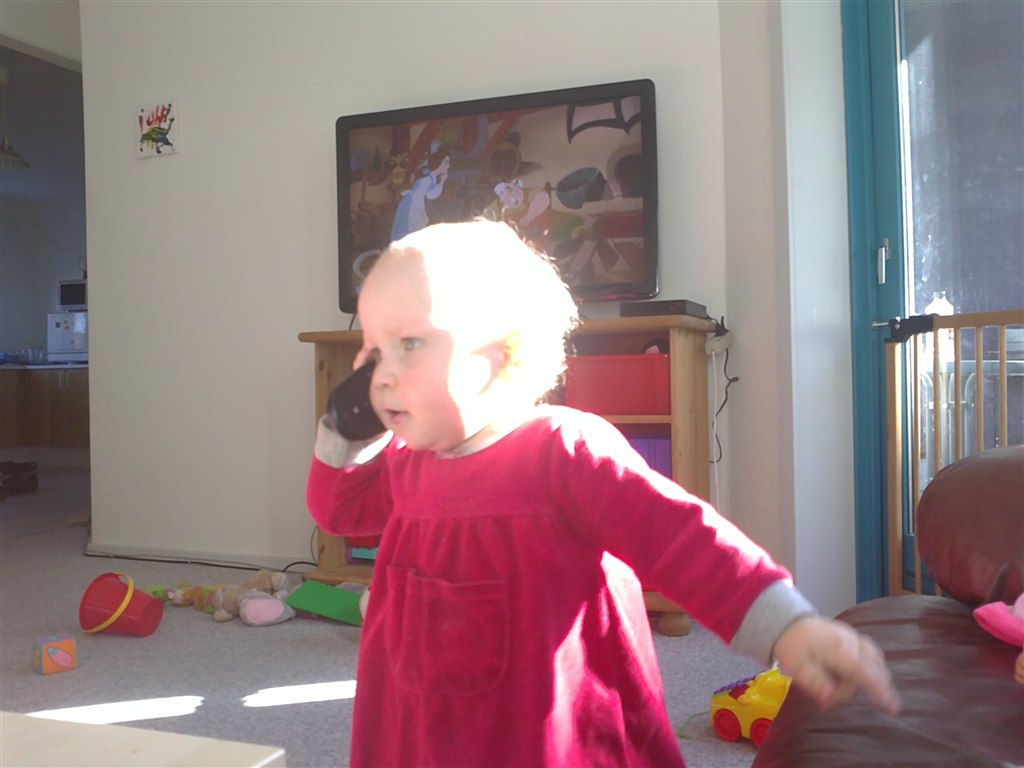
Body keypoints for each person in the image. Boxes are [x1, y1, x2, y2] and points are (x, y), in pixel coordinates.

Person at [307, 219, 900, 767]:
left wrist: (785, 626)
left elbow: (682, 541)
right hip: (419, 713)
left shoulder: (563, 450)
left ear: (501, 357)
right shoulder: (406, 460)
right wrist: (345, 430)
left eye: (409, 344)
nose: (380, 373)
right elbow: (338, 511)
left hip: (543, 725)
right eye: (372, 349)